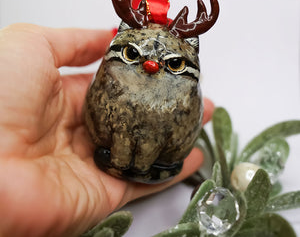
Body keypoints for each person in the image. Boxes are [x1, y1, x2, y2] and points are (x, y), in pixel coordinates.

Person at [0, 23, 214, 237]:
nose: (150, 65)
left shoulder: (184, 100)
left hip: (164, 148)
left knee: (157, 138)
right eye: (132, 54)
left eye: (174, 63)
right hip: (99, 139)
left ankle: (144, 166)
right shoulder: (109, 83)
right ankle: (123, 163)